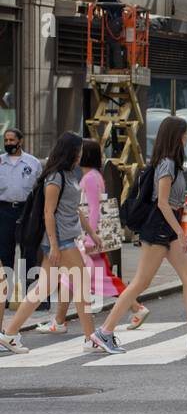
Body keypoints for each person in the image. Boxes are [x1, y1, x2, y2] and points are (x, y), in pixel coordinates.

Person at [91, 116, 187, 354]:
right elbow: (162, 203)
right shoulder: (167, 164)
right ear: (176, 136)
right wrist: (181, 234)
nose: (186, 138)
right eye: (184, 134)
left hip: (165, 227)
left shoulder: (171, 163)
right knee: (142, 281)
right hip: (160, 226)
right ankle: (105, 331)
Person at [0, 132, 97, 354]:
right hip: (60, 241)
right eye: (79, 149)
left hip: (63, 239)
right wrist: (53, 245)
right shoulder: (55, 177)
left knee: (42, 288)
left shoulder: (69, 173)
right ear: (71, 151)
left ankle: (9, 334)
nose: (82, 153)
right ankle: (91, 339)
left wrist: (92, 232)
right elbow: (48, 213)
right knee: (81, 285)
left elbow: (73, 209)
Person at [40, 139, 147, 335]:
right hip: (85, 235)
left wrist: (90, 238)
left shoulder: (89, 178)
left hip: (86, 237)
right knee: (72, 279)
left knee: (100, 279)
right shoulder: (94, 175)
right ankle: (59, 320)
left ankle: (136, 307)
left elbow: (93, 208)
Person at [0, 126, 43, 321]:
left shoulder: (33, 163)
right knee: (5, 255)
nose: (9, 143)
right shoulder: (0, 162)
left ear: (21, 141)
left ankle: (31, 297)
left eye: (12, 140)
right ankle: (5, 298)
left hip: (26, 212)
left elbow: (39, 190)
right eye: (6, 140)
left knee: (29, 253)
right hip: (4, 210)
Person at [75, 0, 128, 68]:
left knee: (113, 42)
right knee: (110, 41)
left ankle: (117, 68)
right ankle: (111, 66)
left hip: (115, 18)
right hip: (115, 18)